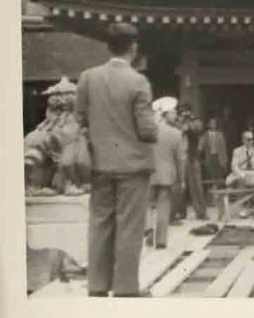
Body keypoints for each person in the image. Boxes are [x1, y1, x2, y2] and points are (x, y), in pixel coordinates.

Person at [75, 23, 158, 298]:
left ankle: (97, 285)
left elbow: (81, 118)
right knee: (129, 227)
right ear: (133, 49)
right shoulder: (138, 82)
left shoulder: (87, 77)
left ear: (107, 47)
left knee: (100, 222)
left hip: (99, 163)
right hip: (133, 166)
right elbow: (147, 131)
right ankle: (125, 287)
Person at [148, 104, 186, 248]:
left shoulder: (147, 132)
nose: (176, 115)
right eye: (173, 112)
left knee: (147, 204)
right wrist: (181, 179)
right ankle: (161, 240)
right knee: (163, 206)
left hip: (148, 173)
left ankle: (148, 229)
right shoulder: (176, 133)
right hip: (166, 174)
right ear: (165, 114)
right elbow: (180, 159)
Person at [229, 129, 254, 217]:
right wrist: (243, 176)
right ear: (243, 140)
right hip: (242, 173)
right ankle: (244, 208)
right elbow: (234, 166)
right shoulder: (237, 151)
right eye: (248, 139)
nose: (251, 141)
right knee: (241, 183)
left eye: (252, 139)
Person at [178, 107, 208, 221]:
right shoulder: (176, 122)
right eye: (181, 113)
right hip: (179, 157)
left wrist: (189, 124)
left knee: (196, 185)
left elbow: (199, 128)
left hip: (191, 156)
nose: (184, 115)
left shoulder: (195, 121)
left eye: (186, 113)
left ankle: (201, 212)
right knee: (178, 186)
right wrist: (181, 123)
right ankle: (179, 212)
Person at [198, 117, 229, 191]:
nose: (213, 124)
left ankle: (218, 192)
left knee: (219, 176)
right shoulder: (204, 135)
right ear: (208, 124)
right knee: (210, 176)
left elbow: (223, 149)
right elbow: (199, 147)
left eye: (214, 123)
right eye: (211, 123)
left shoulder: (220, 134)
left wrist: (224, 161)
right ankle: (211, 193)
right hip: (209, 158)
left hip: (218, 158)